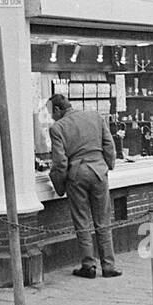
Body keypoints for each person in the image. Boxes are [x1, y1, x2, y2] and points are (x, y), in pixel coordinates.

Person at [47, 94, 120, 278]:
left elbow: (60, 163)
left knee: (82, 220)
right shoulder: (95, 116)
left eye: (51, 112)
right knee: (103, 219)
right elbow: (109, 145)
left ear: (57, 109)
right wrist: (107, 166)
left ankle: (88, 265)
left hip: (77, 174)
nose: (51, 117)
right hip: (98, 171)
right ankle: (109, 266)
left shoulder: (57, 128)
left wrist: (59, 185)